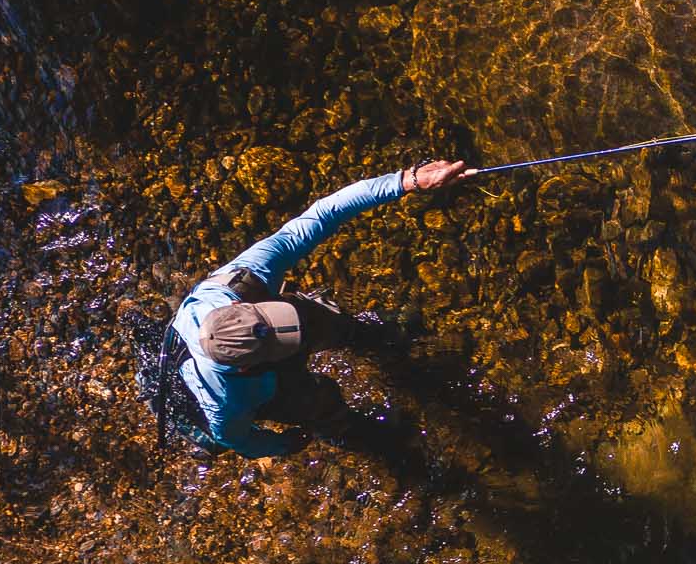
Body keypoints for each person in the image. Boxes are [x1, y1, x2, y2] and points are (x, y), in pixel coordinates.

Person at [169, 160, 472, 456]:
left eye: (275, 321)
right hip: (266, 386)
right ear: (246, 367)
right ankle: (353, 434)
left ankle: (366, 337)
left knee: (316, 318)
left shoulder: (235, 282)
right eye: (280, 340)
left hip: (251, 359)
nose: (289, 331)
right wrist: (284, 445)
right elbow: (240, 441)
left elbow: (323, 214)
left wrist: (409, 180)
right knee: (319, 406)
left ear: (238, 305)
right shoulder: (226, 401)